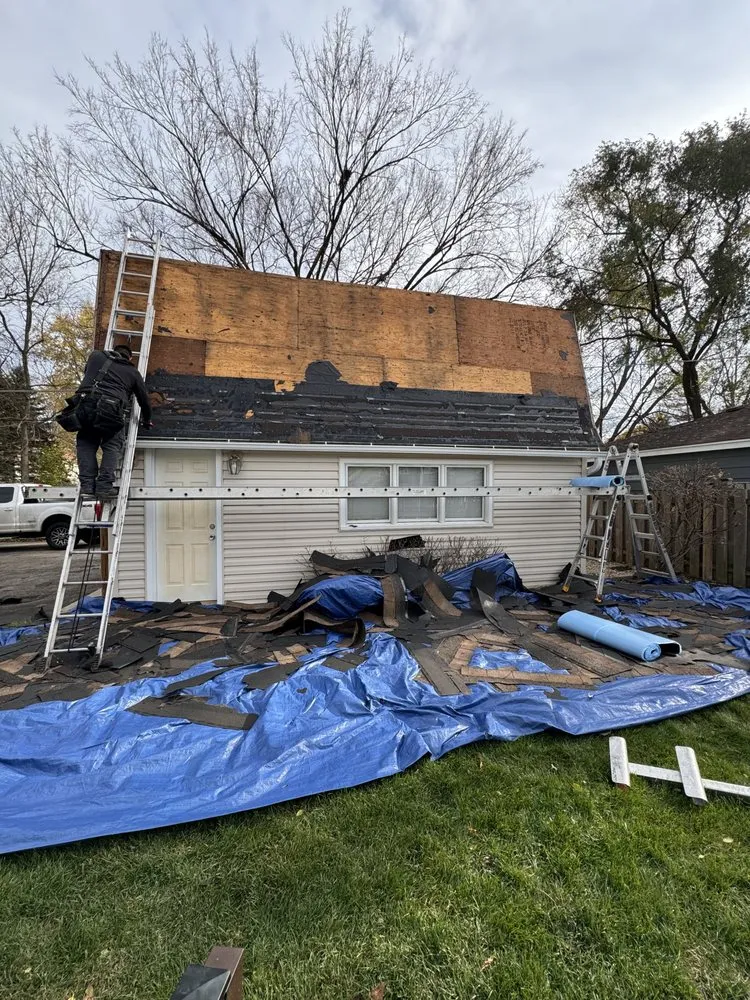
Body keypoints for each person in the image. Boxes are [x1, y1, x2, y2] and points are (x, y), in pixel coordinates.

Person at [75, 344, 153, 500]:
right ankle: (104, 487)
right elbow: (144, 400)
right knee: (112, 446)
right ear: (130, 358)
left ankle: (87, 486)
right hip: (111, 410)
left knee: (86, 444)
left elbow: (88, 374)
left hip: (85, 406)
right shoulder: (132, 372)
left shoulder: (95, 357)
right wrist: (147, 419)